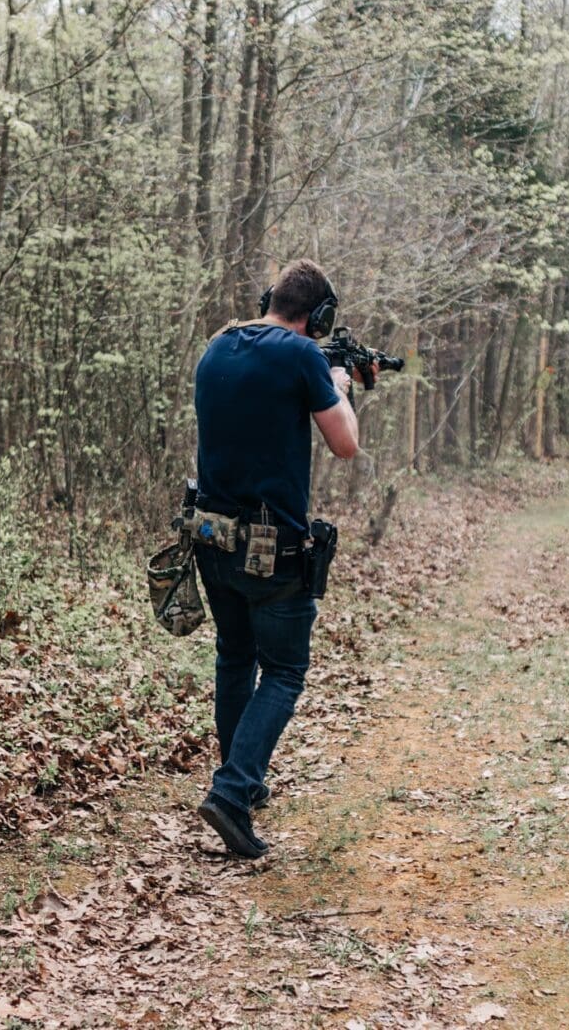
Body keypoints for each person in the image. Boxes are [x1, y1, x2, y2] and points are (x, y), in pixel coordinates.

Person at [191, 258, 374, 858]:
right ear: (318, 317)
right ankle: (234, 790)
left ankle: (240, 776)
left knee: (234, 655)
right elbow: (345, 444)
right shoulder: (302, 358)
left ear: (272, 297)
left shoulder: (218, 346)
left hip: (212, 537)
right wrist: (339, 386)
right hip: (272, 549)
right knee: (286, 671)